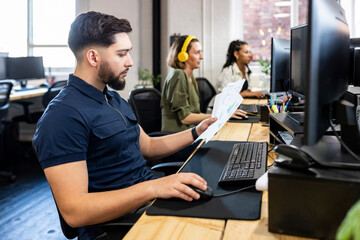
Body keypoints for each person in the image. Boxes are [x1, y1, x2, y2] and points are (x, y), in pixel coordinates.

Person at [32, 12, 217, 240]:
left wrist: (196, 132)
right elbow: (75, 212)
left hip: (147, 202)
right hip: (120, 225)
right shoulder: (63, 116)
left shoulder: (113, 98)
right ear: (93, 57)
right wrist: (153, 188)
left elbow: (147, 146)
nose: (129, 61)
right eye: (122, 54)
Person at [161, 35, 246, 132]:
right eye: (197, 53)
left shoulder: (190, 76)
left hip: (191, 131)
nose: (202, 57)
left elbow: (194, 114)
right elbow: (185, 118)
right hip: (178, 136)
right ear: (183, 55)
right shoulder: (178, 75)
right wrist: (220, 115)